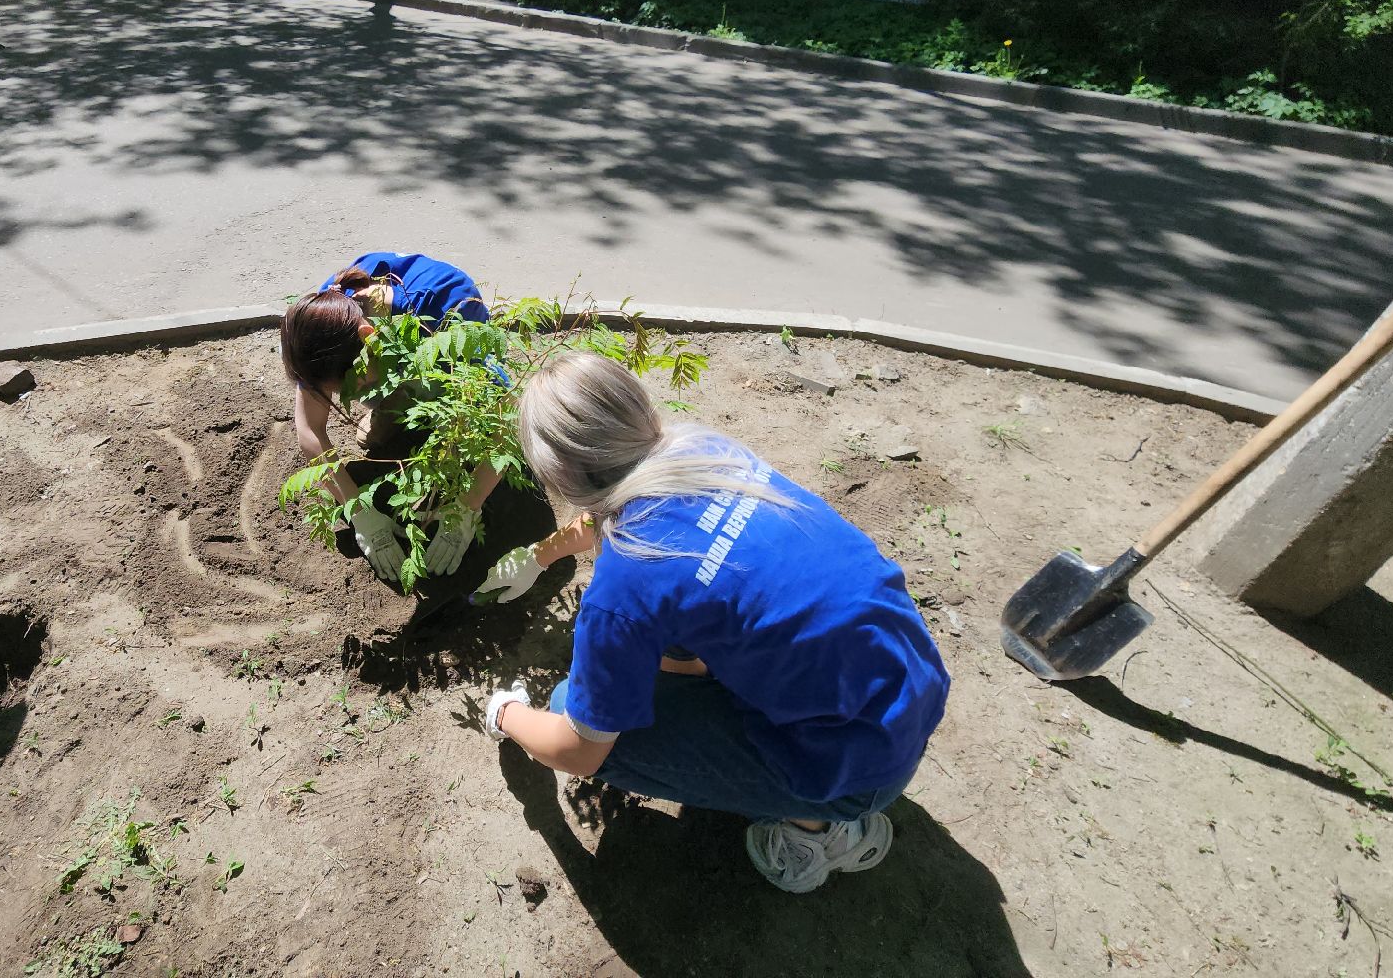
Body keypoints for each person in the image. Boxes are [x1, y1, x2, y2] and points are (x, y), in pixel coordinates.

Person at [473, 352, 950, 893]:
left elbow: (576, 753)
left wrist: (507, 712)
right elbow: (616, 514)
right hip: (910, 680)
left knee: (568, 709)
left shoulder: (625, 585)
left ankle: (822, 831)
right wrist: (539, 556)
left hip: (861, 767)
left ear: (561, 475)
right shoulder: (703, 450)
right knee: (685, 650)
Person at [279, 251, 502, 581]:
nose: (347, 399)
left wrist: (468, 505)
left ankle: (436, 417)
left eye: (348, 389)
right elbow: (309, 429)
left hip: (441, 360)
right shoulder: (320, 323)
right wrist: (360, 513)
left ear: (367, 337)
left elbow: (506, 420)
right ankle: (394, 407)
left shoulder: (450, 311)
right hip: (387, 358)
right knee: (378, 405)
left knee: (464, 422)